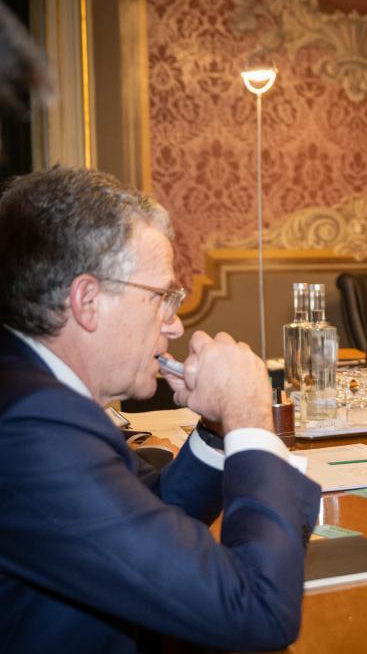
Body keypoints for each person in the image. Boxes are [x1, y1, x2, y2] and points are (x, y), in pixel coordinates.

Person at [0, 167, 321, 651]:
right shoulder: (30, 427)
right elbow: (258, 612)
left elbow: (136, 522)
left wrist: (216, 429)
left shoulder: (33, 390)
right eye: (161, 298)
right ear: (88, 301)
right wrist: (250, 419)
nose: (174, 326)